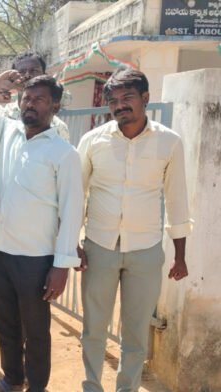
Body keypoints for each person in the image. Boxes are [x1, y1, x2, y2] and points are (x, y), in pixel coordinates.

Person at [77, 68, 192, 392]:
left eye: (127, 98)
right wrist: (73, 242)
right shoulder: (92, 141)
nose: (119, 105)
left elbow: (177, 198)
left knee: (136, 331)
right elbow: (78, 194)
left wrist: (179, 255)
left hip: (145, 250)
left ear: (145, 98)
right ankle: (91, 386)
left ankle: (126, 387)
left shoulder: (169, 142)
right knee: (94, 328)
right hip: (99, 246)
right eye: (113, 100)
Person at [0, 50, 71, 377]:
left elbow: (70, 204)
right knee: (2, 315)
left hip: (36, 253)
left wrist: (62, 261)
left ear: (54, 104)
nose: (30, 100)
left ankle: (36, 384)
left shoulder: (62, 146)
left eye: (39, 95)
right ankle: (11, 378)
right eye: (26, 93)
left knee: (35, 327)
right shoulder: (5, 125)